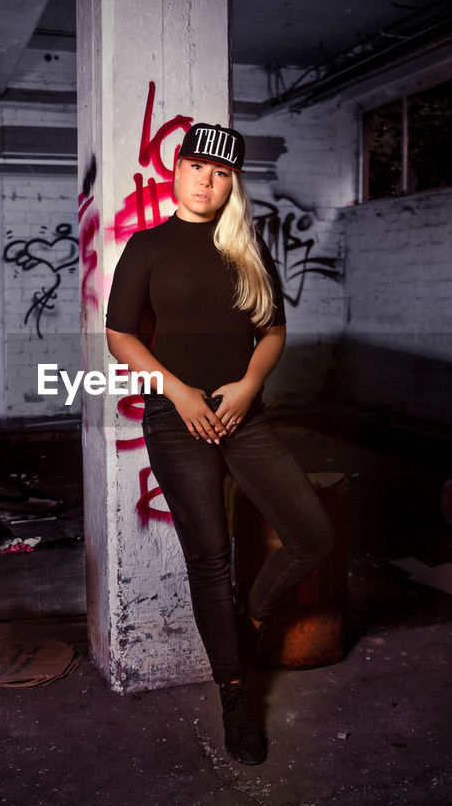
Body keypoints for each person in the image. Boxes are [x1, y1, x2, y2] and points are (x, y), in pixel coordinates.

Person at [105, 122, 337, 765]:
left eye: (222, 173)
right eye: (198, 168)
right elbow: (120, 334)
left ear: (232, 182)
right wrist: (181, 394)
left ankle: (251, 616)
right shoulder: (147, 247)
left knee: (313, 536)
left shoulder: (247, 249)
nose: (208, 181)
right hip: (176, 420)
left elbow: (273, 331)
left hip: (245, 418)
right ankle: (235, 693)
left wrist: (247, 387)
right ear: (176, 170)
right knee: (209, 559)